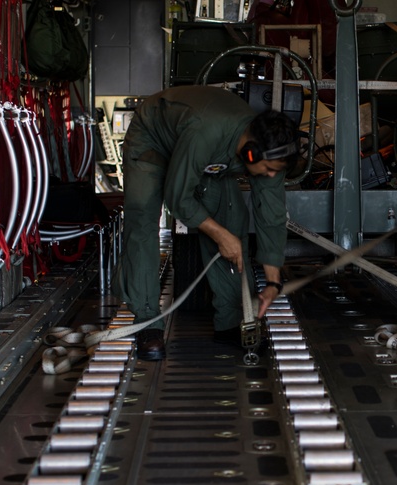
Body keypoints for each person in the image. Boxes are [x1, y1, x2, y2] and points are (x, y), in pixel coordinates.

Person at [114, 85, 299, 360]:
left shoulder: (270, 154)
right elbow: (178, 198)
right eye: (269, 170)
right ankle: (147, 323)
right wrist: (220, 236)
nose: (272, 176)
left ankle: (231, 322)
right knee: (142, 217)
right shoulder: (207, 131)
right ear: (250, 153)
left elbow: (271, 213)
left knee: (231, 216)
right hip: (153, 140)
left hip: (202, 153)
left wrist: (273, 283)